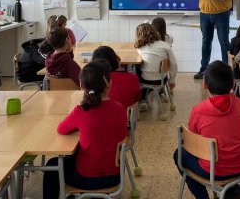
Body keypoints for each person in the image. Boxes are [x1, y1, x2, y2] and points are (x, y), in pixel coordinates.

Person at [42, 61, 127, 199]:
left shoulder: (80, 111)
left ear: (82, 86)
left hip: (87, 178)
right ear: (109, 84)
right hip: (116, 175)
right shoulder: (120, 108)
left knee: (53, 165)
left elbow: (61, 129)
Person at [173, 61, 240, 199]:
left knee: (179, 153)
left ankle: (202, 197)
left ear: (204, 84)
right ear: (233, 84)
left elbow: (192, 144)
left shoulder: (198, 111)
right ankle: (231, 190)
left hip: (213, 171)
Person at [134, 23, 177, 112]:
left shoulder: (139, 47)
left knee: (136, 67)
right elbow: (173, 64)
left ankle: (142, 100)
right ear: (154, 31)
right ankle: (145, 98)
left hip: (144, 79)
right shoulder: (165, 45)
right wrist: (172, 80)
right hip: (161, 79)